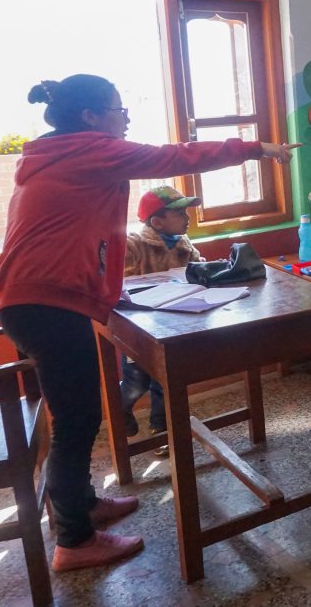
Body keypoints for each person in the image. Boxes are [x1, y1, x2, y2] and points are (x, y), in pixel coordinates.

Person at [0, 74, 295, 572]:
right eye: (117, 107)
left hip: (28, 299)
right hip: (47, 303)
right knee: (75, 422)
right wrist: (259, 147)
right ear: (90, 116)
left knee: (76, 416)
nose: (125, 115)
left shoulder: (57, 152)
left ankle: (82, 506)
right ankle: (74, 541)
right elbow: (176, 156)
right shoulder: (90, 149)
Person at [120, 185, 204, 455]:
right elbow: (123, 284)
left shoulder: (184, 244)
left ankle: (162, 429)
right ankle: (120, 407)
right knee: (137, 382)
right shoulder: (133, 245)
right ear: (157, 222)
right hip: (138, 330)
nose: (187, 217)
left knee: (165, 379)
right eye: (180, 213)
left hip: (173, 326)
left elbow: (198, 269)